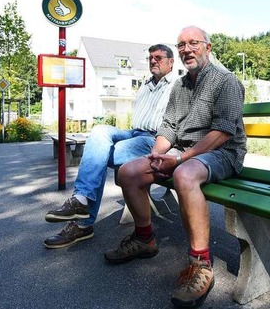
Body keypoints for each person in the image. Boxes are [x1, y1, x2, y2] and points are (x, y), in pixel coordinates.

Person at [103, 26, 246, 308]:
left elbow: (223, 133)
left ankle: (201, 264)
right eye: (181, 45)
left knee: (184, 173)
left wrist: (180, 159)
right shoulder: (179, 85)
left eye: (193, 43)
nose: (186, 49)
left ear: (208, 47)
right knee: (128, 172)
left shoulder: (225, 81)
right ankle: (145, 239)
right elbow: (168, 127)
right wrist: (157, 154)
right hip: (186, 152)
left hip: (222, 152)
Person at [43, 44, 176, 249]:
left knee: (99, 156)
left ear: (171, 62)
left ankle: (83, 221)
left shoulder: (176, 84)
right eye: (150, 57)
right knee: (99, 131)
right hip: (134, 132)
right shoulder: (145, 84)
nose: (153, 61)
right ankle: (81, 199)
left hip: (155, 139)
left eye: (158, 57)